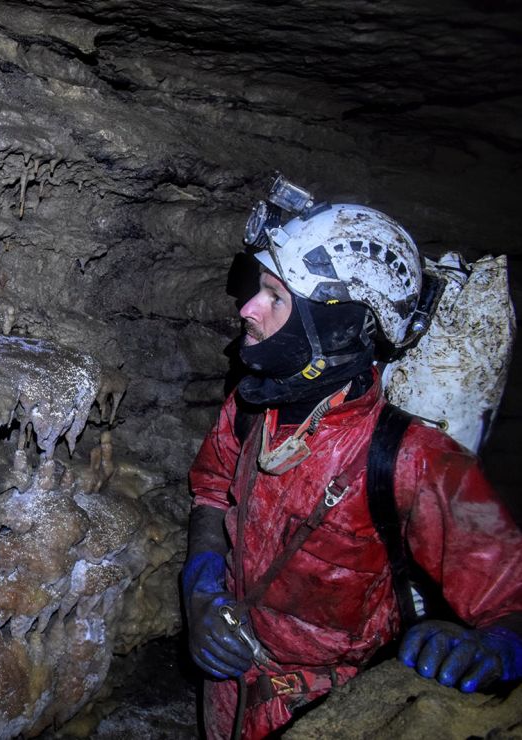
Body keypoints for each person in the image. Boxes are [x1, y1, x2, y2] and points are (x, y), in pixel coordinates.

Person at [183, 177, 522, 739]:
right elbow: (212, 492)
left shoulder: (411, 458)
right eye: (257, 288)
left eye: (275, 297)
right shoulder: (248, 412)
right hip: (228, 694)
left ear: (337, 325)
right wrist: (201, 590)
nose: (247, 308)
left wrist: (496, 644)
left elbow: (510, 590)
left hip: (328, 713)